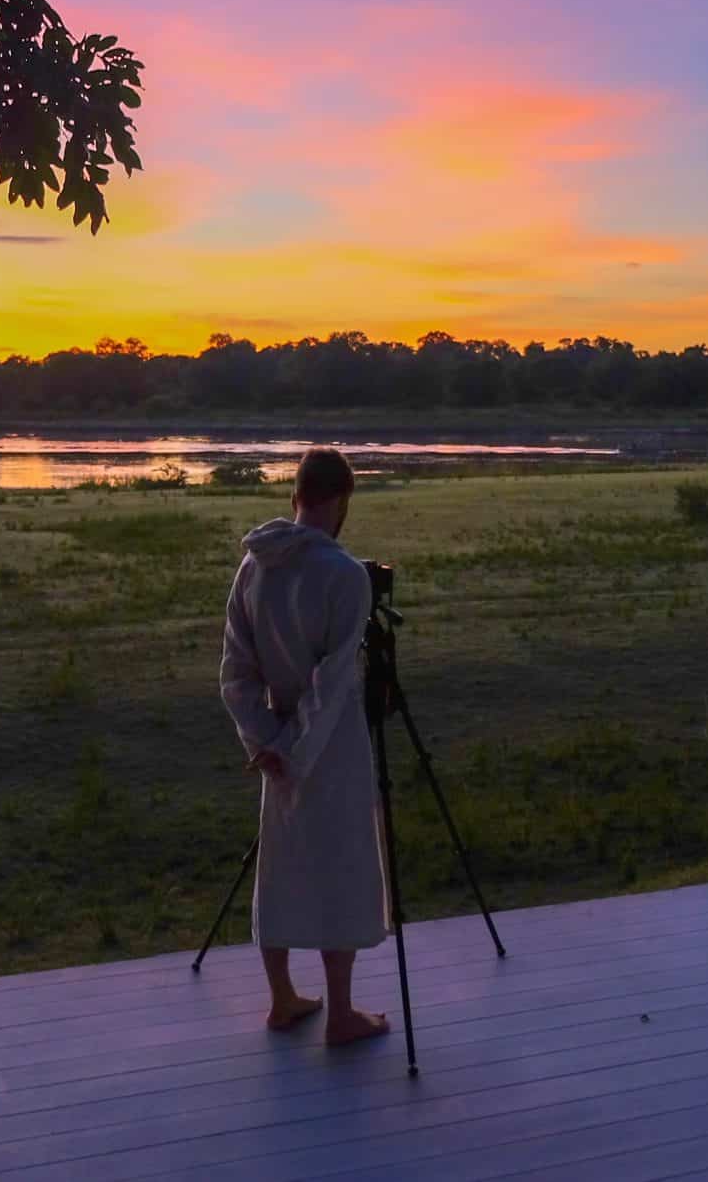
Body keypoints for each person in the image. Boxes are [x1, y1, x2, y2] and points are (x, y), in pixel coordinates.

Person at [219, 446, 390, 1047]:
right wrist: (292, 749)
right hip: (331, 741)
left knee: (282, 864)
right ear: (341, 500)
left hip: (274, 734)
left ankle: (282, 998)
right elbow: (334, 678)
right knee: (340, 863)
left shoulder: (253, 566)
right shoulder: (344, 575)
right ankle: (340, 1013)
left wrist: (264, 740)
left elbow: (235, 673)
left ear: (296, 494)